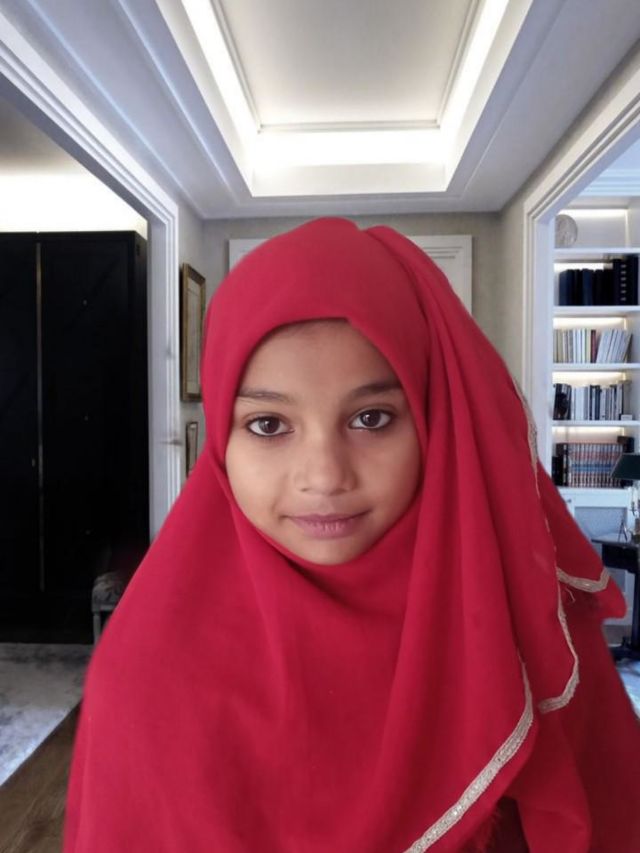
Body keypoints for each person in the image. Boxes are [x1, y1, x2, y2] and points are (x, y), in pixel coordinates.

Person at [63, 218, 640, 852]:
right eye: (268, 424)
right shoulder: (146, 675)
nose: (325, 477)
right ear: (222, 441)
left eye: (371, 418)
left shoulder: (527, 625)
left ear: (434, 422)